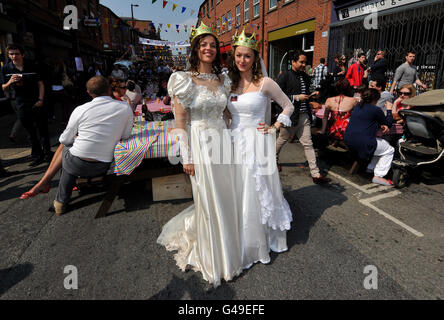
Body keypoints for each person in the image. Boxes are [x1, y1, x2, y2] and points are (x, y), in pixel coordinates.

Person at [156, 23, 243, 287]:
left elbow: (229, 113)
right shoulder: (182, 79)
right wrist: (187, 157)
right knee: (208, 196)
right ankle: (212, 252)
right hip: (200, 144)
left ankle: (230, 242)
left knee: (227, 193)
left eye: (213, 45)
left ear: (218, 50)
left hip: (223, 143)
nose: (209, 48)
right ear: (195, 49)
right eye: (204, 44)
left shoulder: (225, 79)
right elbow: (179, 122)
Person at [227, 30, 294, 268]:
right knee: (239, 189)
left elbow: (288, 105)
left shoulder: (265, 82)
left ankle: (259, 238)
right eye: (238, 55)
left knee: (258, 189)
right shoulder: (230, 83)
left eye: (247, 56)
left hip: (257, 142)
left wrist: (275, 126)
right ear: (233, 56)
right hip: (234, 142)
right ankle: (240, 234)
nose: (242, 60)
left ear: (255, 58)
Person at [53, 76, 133, 215]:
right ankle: (59, 195)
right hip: (105, 165)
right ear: (109, 90)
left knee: (67, 150)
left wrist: (79, 138)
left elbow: (65, 139)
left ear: (89, 92)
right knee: (70, 154)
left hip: (76, 165)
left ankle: (60, 201)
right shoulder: (125, 107)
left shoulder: (80, 109)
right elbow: (125, 136)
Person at [275, 51, 331, 184]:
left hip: (305, 116)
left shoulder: (305, 77)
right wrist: (296, 97)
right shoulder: (285, 76)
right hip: (290, 116)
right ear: (293, 62)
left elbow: (306, 92)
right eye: (301, 62)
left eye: (305, 62)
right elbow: (275, 96)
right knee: (282, 139)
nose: (304, 65)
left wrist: (313, 97)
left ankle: (315, 174)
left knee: (308, 144)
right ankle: (273, 161)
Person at [0, 43, 52, 166]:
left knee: (42, 129)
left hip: (36, 100)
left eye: (16, 54)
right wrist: (10, 82)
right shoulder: (6, 69)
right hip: (21, 102)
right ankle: (37, 156)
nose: (14, 56)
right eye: (11, 54)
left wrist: (40, 99)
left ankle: (48, 154)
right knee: (30, 131)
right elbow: (3, 88)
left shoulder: (32, 66)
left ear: (22, 54)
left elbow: (41, 84)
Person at [344, 88, 394, 186]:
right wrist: (389, 109)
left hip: (349, 140)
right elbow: (388, 123)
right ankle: (378, 176)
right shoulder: (375, 109)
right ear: (376, 100)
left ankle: (371, 168)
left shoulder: (358, 106)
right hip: (363, 143)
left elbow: (366, 120)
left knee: (381, 145)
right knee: (390, 150)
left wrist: (380, 125)